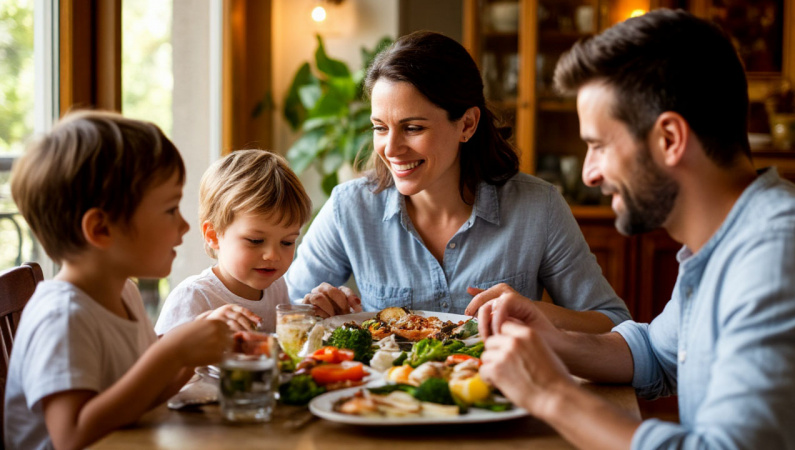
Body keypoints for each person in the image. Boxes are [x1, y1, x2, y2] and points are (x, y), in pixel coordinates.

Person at [474, 9, 795, 449]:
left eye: (598, 146)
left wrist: (551, 394)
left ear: (669, 139)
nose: (589, 173)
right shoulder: (726, 239)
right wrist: (550, 341)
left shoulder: (780, 258)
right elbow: (656, 352)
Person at [284, 31, 630, 332]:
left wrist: (534, 313)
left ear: (467, 124)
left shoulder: (539, 207)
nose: (390, 148)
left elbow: (613, 323)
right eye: (380, 127)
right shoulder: (349, 207)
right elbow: (282, 308)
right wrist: (315, 307)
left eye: (413, 128)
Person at [5, 111, 231, 449]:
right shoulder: (62, 316)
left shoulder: (124, 292)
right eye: (170, 209)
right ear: (101, 229)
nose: (185, 225)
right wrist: (171, 353)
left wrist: (190, 355)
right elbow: (71, 436)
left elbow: (141, 394)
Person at [155, 149, 312, 335]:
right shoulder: (193, 297)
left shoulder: (277, 287)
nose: (273, 255)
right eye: (255, 240)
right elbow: (161, 354)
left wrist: (309, 312)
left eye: (287, 242)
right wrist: (202, 330)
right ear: (213, 236)